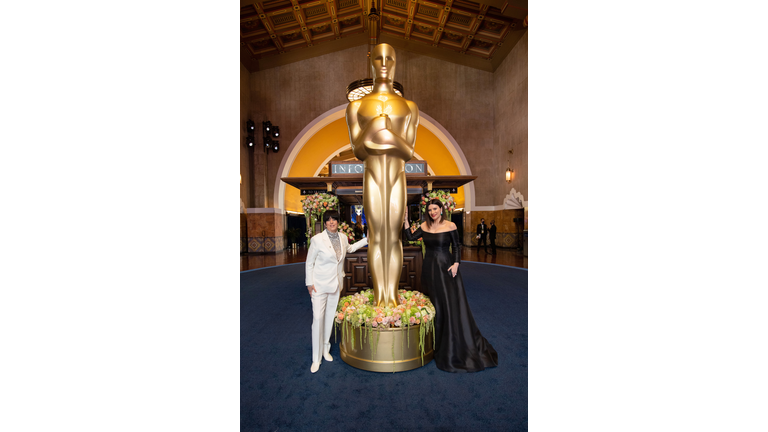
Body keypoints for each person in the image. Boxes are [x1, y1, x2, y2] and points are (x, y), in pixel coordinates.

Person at [346, 43, 419, 308]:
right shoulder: (357, 106)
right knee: (377, 236)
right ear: (371, 63)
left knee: (394, 237)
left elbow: (408, 151)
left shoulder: (409, 106)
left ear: (396, 62)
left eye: (390, 58)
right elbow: (358, 149)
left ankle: (393, 295)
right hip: (373, 176)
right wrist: (379, 125)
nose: (384, 63)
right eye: (379, 58)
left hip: (397, 176)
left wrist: (381, 134)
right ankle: (380, 298)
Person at [403, 199, 498, 373]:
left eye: (435, 209)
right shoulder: (424, 226)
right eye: (429, 210)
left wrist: (456, 263)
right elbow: (410, 238)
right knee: (432, 303)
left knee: (446, 303)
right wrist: (406, 222)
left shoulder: (450, 225)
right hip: (428, 269)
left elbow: (456, 246)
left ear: (441, 209)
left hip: (445, 268)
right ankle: (432, 341)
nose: (432, 212)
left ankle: (448, 342)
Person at [305, 211, 368, 374]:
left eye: (334, 219)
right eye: (328, 220)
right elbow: (309, 262)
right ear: (325, 223)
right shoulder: (317, 239)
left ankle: (325, 348)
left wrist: (367, 239)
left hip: (336, 284)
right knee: (317, 319)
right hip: (319, 286)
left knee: (329, 318)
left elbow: (350, 249)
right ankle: (316, 358)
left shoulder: (343, 237)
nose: (331, 222)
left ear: (338, 222)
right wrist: (309, 283)